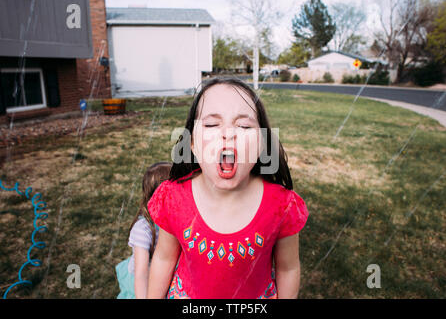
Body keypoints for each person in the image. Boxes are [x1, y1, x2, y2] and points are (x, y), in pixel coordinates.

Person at [146, 78, 309, 299]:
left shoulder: (282, 206)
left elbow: (287, 268)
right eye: (212, 124)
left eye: (243, 125)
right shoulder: (173, 198)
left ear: (261, 144)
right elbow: (164, 259)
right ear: (192, 143)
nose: (228, 134)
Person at [115, 162, 172, 299]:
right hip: (143, 281)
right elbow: (141, 273)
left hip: (164, 274)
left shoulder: (174, 217)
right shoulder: (143, 228)